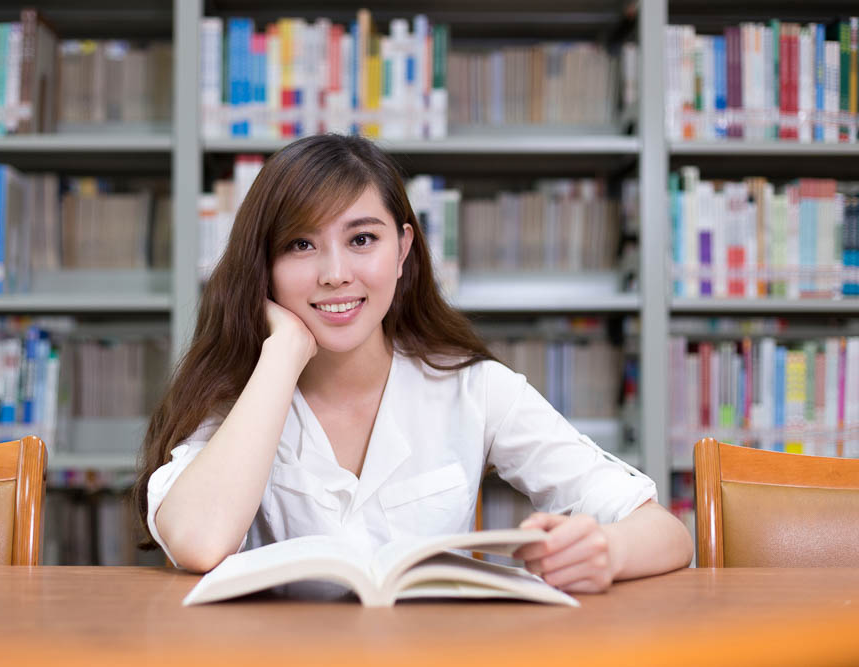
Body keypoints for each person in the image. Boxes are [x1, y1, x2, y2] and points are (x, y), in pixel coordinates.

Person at [134, 134, 692, 593]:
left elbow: (666, 534)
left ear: (402, 250)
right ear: (264, 266)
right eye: (300, 246)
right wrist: (281, 353)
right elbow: (199, 541)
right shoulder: (239, 395)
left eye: (362, 239)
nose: (334, 274)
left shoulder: (473, 388)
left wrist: (607, 551)